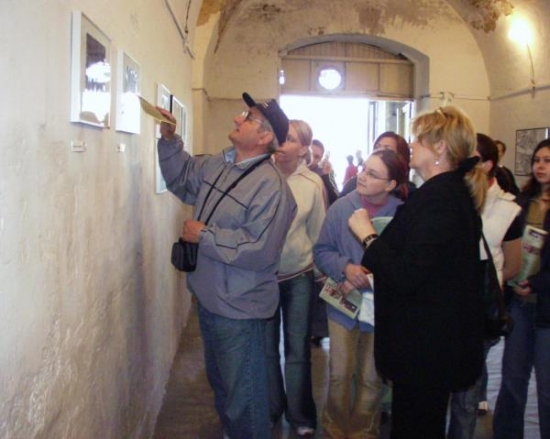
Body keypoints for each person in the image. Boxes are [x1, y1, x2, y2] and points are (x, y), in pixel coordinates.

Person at [156, 92, 297, 439]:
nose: (237, 119)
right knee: (223, 386)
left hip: (239, 308)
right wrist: (170, 140)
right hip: (210, 298)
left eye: (248, 118)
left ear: (265, 137)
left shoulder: (273, 189)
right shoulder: (220, 163)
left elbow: (259, 248)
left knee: (244, 398)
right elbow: (182, 177)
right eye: (242, 114)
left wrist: (203, 236)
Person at [348, 106, 487, 439]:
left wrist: (367, 236)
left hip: (426, 350)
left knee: (417, 427)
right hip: (427, 346)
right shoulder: (442, 194)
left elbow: (406, 274)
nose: (411, 144)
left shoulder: (441, 200)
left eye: (418, 139)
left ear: (440, 147)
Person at [314, 149, 407, 439]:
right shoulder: (342, 207)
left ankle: (363, 431)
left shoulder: (402, 214)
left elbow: (406, 264)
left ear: (391, 184)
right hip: (342, 304)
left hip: (381, 308)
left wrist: (372, 275)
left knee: (371, 376)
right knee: (339, 373)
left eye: (372, 174)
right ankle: (334, 429)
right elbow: (321, 251)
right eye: (364, 169)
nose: (362, 176)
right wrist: (346, 268)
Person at [447, 133, 522, 439]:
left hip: (479, 309)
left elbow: (513, 264)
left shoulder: (508, 209)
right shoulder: (449, 196)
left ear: (488, 164)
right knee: (438, 387)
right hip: (445, 305)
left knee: (467, 396)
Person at [266, 120, 326, 437]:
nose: (281, 143)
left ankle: (301, 416)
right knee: (265, 348)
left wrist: (319, 275)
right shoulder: (262, 174)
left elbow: (318, 233)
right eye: (280, 136)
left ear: (303, 148)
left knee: (297, 350)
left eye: (289, 139)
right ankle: (271, 408)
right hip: (262, 278)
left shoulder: (312, 184)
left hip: (298, 275)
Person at [493, 138, 550, 439]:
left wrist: (537, 283)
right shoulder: (522, 203)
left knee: (546, 388)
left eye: (548, 161)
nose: (540, 166)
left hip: (546, 307)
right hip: (519, 303)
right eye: (537, 160)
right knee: (512, 379)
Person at [340, 131, 415, 197]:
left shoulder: (411, 193)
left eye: (387, 149)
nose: (380, 152)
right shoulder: (354, 184)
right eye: (377, 147)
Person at [309, 139, 339, 205]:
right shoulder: (292, 168)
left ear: (320, 158)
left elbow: (336, 200)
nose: (312, 159)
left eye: (316, 157)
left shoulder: (323, 175)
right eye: (310, 154)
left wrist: (327, 177)